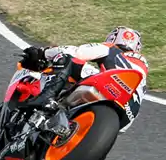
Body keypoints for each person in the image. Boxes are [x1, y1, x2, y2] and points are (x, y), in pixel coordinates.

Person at [18, 26, 149, 127]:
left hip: (109, 92)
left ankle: (46, 97)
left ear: (113, 38)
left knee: (68, 59)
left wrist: (43, 53)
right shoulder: (142, 73)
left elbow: (76, 53)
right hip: (126, 116)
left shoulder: (111, 48)